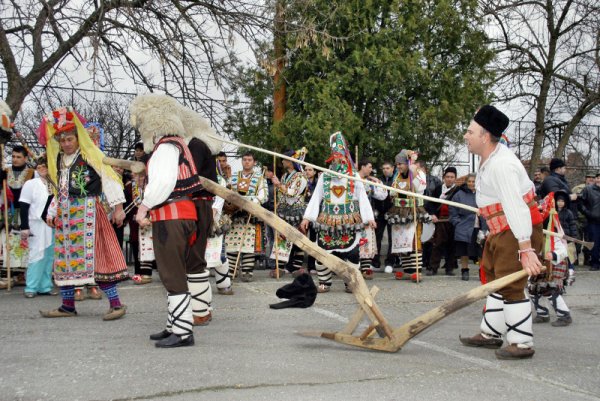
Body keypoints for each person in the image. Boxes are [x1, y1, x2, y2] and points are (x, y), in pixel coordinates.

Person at [459, 105, 544, 360]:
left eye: (470, 131)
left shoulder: (502, 165)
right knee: (495, 279)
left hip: (515, 230)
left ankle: (521, 342)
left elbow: (515, 207)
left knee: (511, 283)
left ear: (485, 136)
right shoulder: (490, 159)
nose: (466, 136)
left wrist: (526, 249)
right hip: (500, 230)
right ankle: (491, 333)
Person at [40, 107, 128, 320]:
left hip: (89, 213)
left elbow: (108, 178)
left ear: (78, 139)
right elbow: (59, 191)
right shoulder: (60, 162)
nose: (66, 144)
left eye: (69, 139)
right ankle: (67, 306)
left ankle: (116, 304)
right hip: (67, 217)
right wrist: (52, 212)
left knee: (97, 259)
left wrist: (118, 207)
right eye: (62, 141)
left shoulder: (90, 156)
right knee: (65, 259)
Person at [131, 94, 202, 348]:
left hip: (172, 217)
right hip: (180, 214)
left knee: (172, 274)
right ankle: (175, 324)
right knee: (173, 272)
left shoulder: (165, 147)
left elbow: (162, 182)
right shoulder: (178, 144)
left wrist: (144, 206)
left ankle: (183, 332)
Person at [300, 132, 375, 293]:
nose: (338, 160)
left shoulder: (354, 176)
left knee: (353, 254)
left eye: (340, 156)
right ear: (331, 158)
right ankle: (325, 282)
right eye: (335, 157)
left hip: (349, 221)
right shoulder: (324, 176)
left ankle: (351, 282)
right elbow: (316, 198)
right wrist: (307, 217)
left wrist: (369, 217)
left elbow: (362, 198)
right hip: (327, 221)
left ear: (346, 157)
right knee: (323, 252)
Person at [179, 105, 222, 326]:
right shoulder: (187, 145)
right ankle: (203, 306)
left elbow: (187, 175)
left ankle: (200, 311)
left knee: (194, 258)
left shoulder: (195, 145)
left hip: (196, 205)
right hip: (191, 205)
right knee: (192, 258)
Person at [384, 149, 430, 282]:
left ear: (407, 163)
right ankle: (407, 270)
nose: (398, 166)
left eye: (401, 164)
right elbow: (392, 193)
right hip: (399, 211)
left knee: (414, 240)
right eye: (397, 164)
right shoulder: (397, 176)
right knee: (401, 240)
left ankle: (416, 270)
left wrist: (413, 171)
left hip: (413, 210)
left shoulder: (418, 173)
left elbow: (420, 187)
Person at [529, 192, 573, 326]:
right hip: (540, 263)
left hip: (555, 263)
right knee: (533, 288)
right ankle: (542, 314)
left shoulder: (555, 232)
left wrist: (553, 255)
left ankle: (564, 316)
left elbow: (563, 250)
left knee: (550, 289)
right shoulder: (534, 232)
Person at [224, 152, 267, 282]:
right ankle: (231, 270)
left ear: (254, 162)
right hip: (234, 216)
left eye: (249, 160)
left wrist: (248, 203)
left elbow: (263, 196)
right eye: (244, 160)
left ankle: (247, 271)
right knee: (232, 244)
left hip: (249, 216)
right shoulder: (234, 177)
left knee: (248, 244)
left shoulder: (260, 178)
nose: (247, 162)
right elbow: (228, 192)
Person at [19, 155, 55, 297]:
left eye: (44, 166)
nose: (41, 169)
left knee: (49, 256)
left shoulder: (54, 184)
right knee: (36, 254)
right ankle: (31, 287)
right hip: (36, 224)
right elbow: (23, 205)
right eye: (39, 167)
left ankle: (44, 286)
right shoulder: (31, 184)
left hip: (51, 225)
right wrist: (24, 226)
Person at [271, 148, 308, 277]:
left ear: (291, 162)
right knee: (281, 238)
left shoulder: (301, 177)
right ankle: (280, 267)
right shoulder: (284, 176)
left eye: (285, 159)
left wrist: (278, 185)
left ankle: (296, 267)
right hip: (284, 211)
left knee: (298, 239)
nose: (282, 161)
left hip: (297, 211)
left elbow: (292, 193)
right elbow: (282, 194)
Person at [2, 145, 35, 285]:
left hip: (26, 211)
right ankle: (9, 273)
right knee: (8, 240)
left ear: (25, 158)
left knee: (24, 242)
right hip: (9, 211)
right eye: (13, 156)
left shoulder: (32, 173)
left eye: (18, 157)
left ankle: (22, 274)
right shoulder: (5, 171)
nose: (15, 159)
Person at [449, 173, 486, 281]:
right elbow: (452, 210)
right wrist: (457, 223)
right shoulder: (459, 194)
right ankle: (465, 271)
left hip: (480, 227)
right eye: (469, 181)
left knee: (481, 252)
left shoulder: (483, 194)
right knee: (463, 251)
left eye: (473, 181)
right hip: (464, 227)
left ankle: (482, 271)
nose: (471, 183)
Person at [356, 159, 387, 279]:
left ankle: (365, 269)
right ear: (362, 167)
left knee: (366, 242)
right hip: (353, 216)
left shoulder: (369, 182)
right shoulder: (352, 179)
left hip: (366, 217)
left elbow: (382, 195)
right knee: (354, 243)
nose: (371, 169)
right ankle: (353, 268)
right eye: (369, 167)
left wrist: (378, 181)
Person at [427, 167, 459, 276]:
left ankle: (449, 268)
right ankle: (433, 267)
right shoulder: (438, 188)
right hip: (440, 220)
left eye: (452, 177)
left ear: (455, 178)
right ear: (444, 177)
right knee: (438, 244)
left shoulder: (458, 190)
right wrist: (433, 214)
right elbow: (430, 203)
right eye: (447, 177)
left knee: (452, 245)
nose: (449, 179)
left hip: (453, 220)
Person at [372, 161, 395, 272]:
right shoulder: (378, 179)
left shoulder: (396, 180)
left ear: (392, 168)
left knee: (392, 238)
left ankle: (390, 262)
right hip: (379, 212)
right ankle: (375, 262)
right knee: (377, 237)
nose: (385, 170)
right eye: (384, 168)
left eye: (388, 168)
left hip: (392, 212)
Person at [578, 172, 600, 271]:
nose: (599, 180)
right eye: (598, 178)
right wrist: (587, 213)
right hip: (593, 221)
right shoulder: (588, 189)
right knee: (594, 242)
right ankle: (594, 263)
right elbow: (580, 202)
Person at [304, 166, 319, 273]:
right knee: (299, 238)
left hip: (314, 215)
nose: (307, 172)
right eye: (305, 170)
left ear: (314, 172)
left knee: (313, 240)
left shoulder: (318, 184)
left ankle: (311, 265)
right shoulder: (301, 182)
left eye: (310, 170)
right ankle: (293, 265)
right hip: (301, 214)